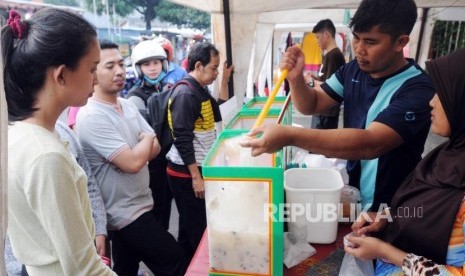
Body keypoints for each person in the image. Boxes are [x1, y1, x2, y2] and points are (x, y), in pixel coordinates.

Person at [243, 0, 435, 213]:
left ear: (401, 42)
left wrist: (290, 136)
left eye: (370, 42)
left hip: (394, 209)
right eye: (356, 38)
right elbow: (313, 103)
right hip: (355, 200)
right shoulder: (353, 70)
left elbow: (370, 144)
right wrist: (296, 79)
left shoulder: (418, 89)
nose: (360, 49)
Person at [2, 8, 116, 275]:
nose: (96, 78)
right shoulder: (46, 155)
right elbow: (84, 269)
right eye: (92, 68)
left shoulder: (18, 134)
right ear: (61, 75)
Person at [345, 48, 465, 275]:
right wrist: (386, 218)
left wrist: (385, 251)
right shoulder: (448, 154)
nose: (431, 102)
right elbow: (427, 209)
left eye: (442, 94)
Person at [75, 39, 185, 276]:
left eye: (121, 64)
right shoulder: (92, 116)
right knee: (175, 261)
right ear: (93, 71)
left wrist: (141, 147)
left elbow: (155, 145)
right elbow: (135, 161)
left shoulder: (127, 105)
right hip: (125, 214)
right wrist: (143, 142)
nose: (119, 71)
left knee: (126, 269)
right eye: (109, 66)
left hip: (141, 202)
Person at [4, 120, 110, 275]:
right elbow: (84, 268)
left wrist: (99, 227)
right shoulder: (46, 154)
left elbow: (89, 183)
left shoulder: (53, 132)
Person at [166, 42, 227, 262]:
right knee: (197, 228)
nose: (216, 72)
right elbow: (182, 138)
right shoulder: (185, 93)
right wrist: (196, 177)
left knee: (189, 225)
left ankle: (184, 266)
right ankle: (196, 266)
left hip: (197, 169)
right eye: (214, 68)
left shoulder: (200, 89)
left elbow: (217, 114)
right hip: (185, 173)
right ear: (199, 65)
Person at [309, 19, 346, 129]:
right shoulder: (330, 55)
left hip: (326, 112)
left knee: (317, 144)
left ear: (326, 35)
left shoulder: (334, 56)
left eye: (318, 37)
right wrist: (315, 78)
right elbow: (327, 80)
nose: (317, 41)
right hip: (323, 111)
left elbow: (329, 88)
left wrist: (310, 82)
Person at [126, 40, 169, 112]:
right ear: (138, 69)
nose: (152, 68)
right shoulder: (135, 96)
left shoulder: (168, 87)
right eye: (146, 64)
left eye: (156, 63)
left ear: (163, 64)